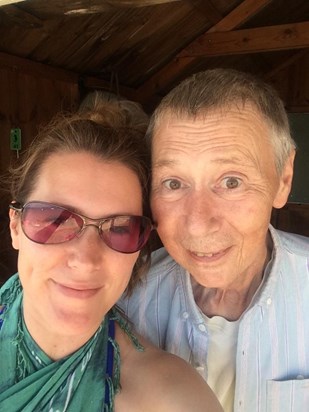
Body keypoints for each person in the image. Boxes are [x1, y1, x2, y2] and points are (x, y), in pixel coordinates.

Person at [0, 107, 223, 411]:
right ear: (16, 227)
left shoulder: (168, 399)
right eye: (55, 220)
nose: (86, 260)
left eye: (120, 229)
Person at [119, 68, 309, 412]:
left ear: (283, 179)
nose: (197, 224)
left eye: (231, 182)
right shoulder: (126, 304)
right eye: (174, 183)